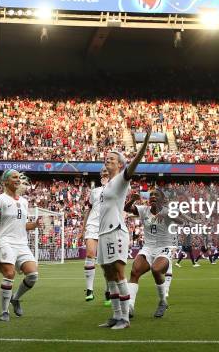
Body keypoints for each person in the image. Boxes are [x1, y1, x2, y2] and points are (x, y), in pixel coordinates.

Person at [97, 129, 151, 330]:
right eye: (106, 158)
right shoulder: (106, 185)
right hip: (102, 233)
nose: (107, 160)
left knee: (118, 273)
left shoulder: (120, 180)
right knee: (108, 274)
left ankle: (125, 319)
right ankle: (116, 315)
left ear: (120, 164)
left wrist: (143, 145)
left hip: (115, 231)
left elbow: (133, 164)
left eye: (112, 158)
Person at [124, 188, 193, 318]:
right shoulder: (144, 210)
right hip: (148, 248)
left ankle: (162, 301)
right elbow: (127, 208)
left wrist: (167, 214)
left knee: (156, 270)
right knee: (134, 272)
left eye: (156, 195)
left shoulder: (166, 211)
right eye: (151, 195)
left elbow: (181, 221)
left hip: (164, 248)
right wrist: (133, 199)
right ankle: (130, 306)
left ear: (162, 199)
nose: (153, 196)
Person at [0, 170, 42, 322]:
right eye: (14, 177)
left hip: (21, 243)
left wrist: (34, 225)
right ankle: (4, 312)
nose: (18, 179)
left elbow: (23, 225)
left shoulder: (24, 201)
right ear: (5, 182)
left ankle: (15, 299)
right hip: (5, 241)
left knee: (33, 275)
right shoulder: (0, 199)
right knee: (9, 274)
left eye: (18, 177)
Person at [82, 167, 110, 302]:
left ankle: (108, 290)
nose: (104, 173)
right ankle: (89, 290)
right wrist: (82, 229)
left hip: (108, 227)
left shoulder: (117, 189)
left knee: (106, 261)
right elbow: (89, 210)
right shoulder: (94, 192)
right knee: (89, 255)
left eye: (106, 171)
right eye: (102, 172)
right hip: (92, 226)